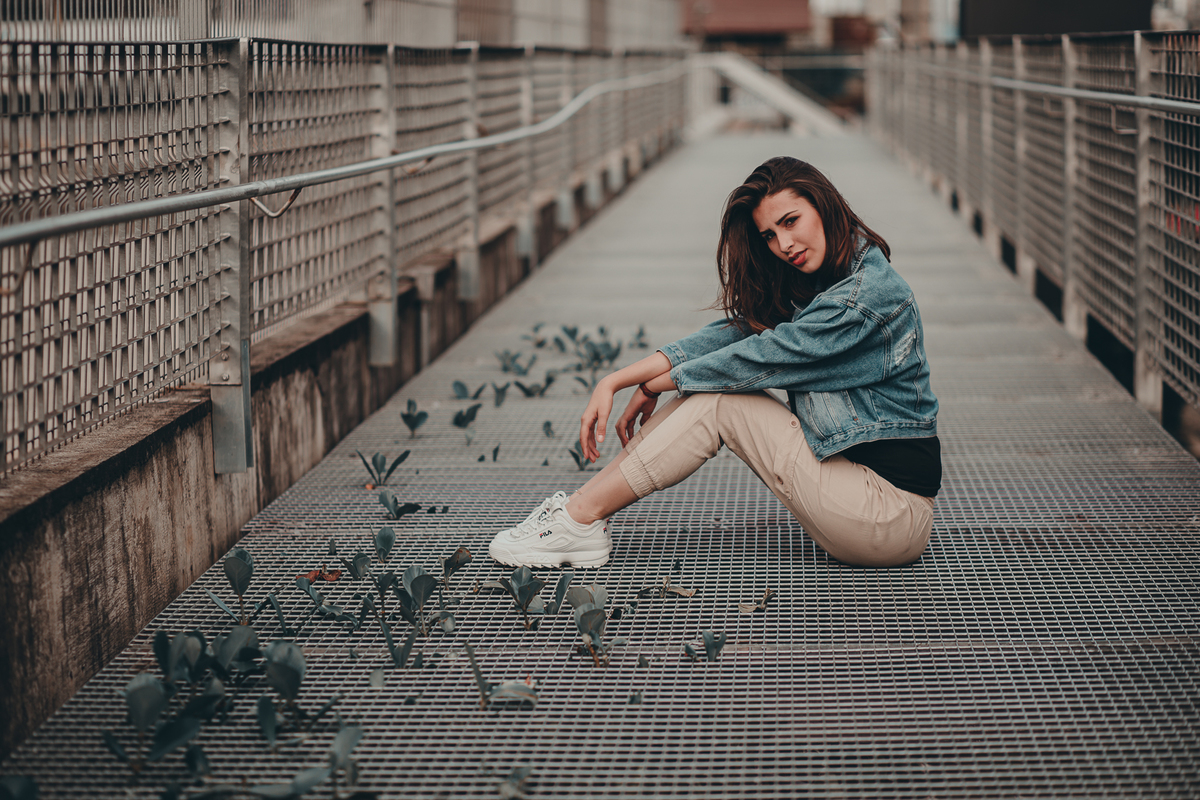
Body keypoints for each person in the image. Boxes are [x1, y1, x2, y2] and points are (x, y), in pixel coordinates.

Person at [489, 156, 940, 569]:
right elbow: (743, 332)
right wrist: (619, 378)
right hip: (855, 497)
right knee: (716, 389)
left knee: (723, 401)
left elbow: (761, 358)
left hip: (889, 516)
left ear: (823, 205)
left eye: (791, 221)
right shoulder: (828, 275)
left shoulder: (864, 299)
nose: (783, 244)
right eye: (769, 234)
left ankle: (579, 519)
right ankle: (579, 516)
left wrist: (656, 386)